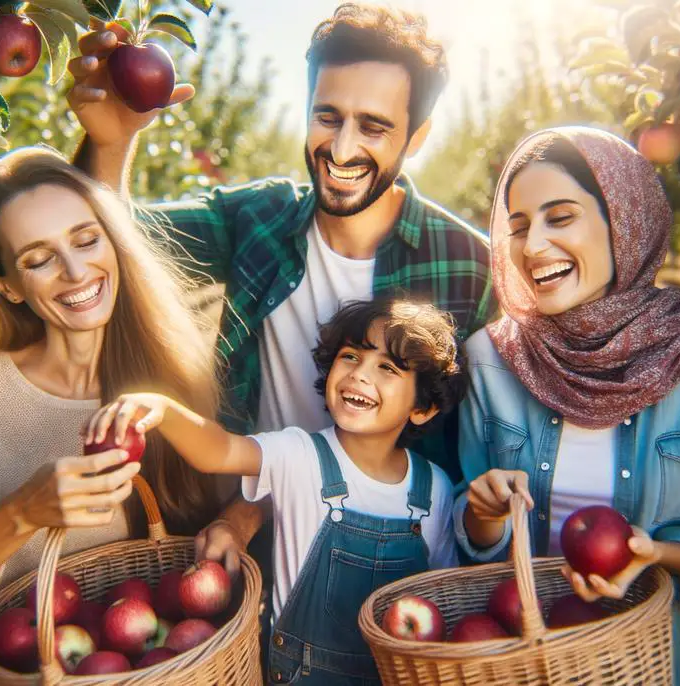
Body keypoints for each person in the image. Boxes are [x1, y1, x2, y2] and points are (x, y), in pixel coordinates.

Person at [66, 3, 495, 572]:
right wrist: (111, 143)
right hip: (246, 529)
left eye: (373, 126)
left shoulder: (466, 264)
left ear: (417, 136)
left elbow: (489, 432)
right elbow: (112, 247)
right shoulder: (261, 220)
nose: (341, 149)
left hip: (397, 555)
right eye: (327, 116)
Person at [0, 147, 230, 654]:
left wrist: (234, 524)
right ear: (6, 286)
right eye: (38, 259)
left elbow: (234, 497)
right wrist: (21, 513)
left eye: (86, 240)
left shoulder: (170, 372)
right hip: (41, 664)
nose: (75, 270)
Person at [454, 127, 680, 685]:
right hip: (531, 662)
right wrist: (480, 515)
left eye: (561, 217)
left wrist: (658, 555)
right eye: (519, 226)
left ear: (622, 220)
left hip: (668, 658)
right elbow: (473, 547)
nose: (532, 246)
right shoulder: (492, 360)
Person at [85, 298, 465, 684]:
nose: (360, 375)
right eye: (351, 357)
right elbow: (219, 450)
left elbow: (441, 598)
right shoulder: (298, 454)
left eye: (386, 367)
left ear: (423, 407)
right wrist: (162, 409)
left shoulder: (433, 488)